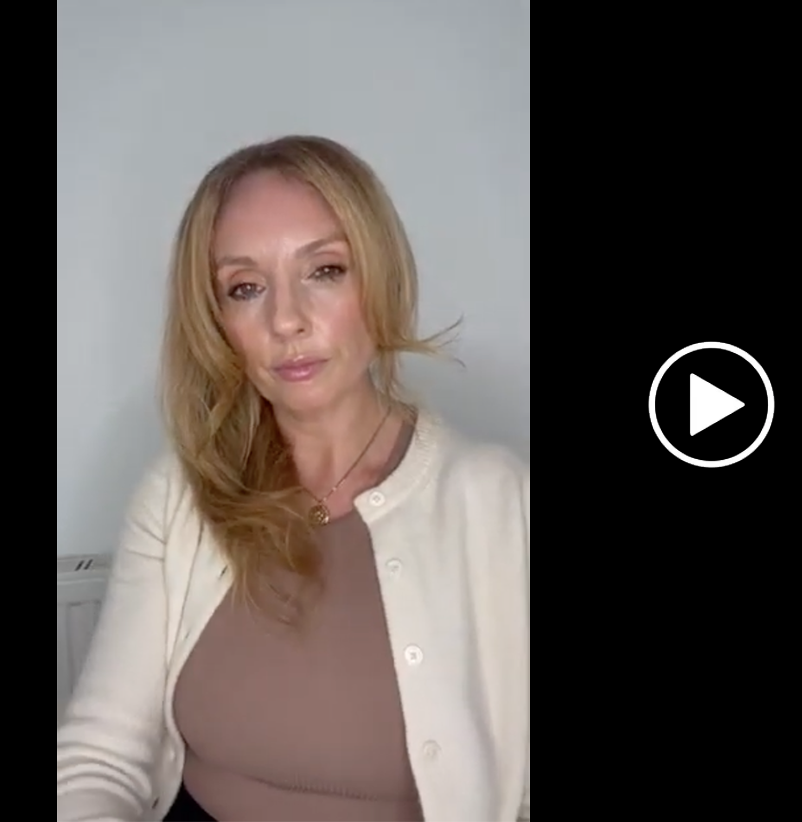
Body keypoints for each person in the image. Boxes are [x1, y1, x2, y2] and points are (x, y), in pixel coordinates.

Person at [57, 135, 530, 822]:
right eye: (245, 288)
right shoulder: (177, 495)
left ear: (380, 279)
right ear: (217, 320)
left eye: (325, 270)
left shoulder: (501, 503)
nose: (286, 320)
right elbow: (100, 756)